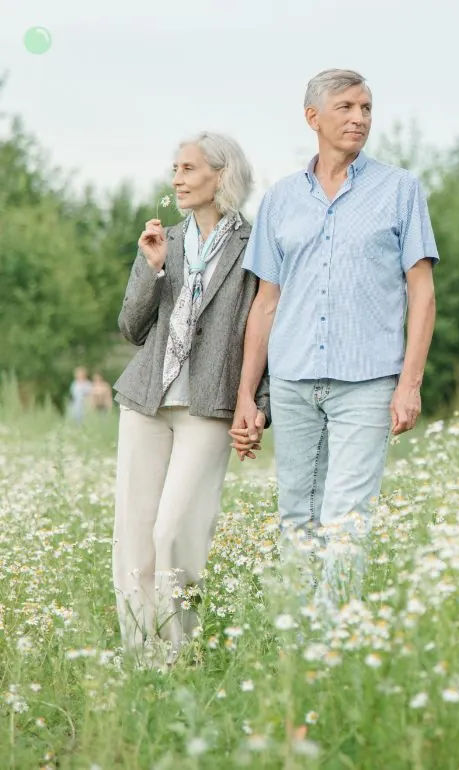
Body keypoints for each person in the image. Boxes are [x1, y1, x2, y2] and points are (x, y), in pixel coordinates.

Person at [233, 68, 439, 607]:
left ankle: (331, 644)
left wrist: (409, 384)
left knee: (346, 516)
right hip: (294, 380)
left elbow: (423, 294)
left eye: (367, 108)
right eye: (346, 107)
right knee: (296, 514)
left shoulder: (400, 190)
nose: (359, 118)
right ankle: (295, 640)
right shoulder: (279, 200)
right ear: (313, 118)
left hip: (368, 382)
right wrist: (245, 398)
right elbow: (265, 304)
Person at [112, 131, 270, 665]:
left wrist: (259, 402)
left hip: (211, 402)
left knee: (176, 528)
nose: (176, 178)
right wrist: (149, 267)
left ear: (219, 177)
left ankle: (179, 654)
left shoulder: (256, 245)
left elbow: (265, 328)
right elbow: (132, 328)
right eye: (174, 168)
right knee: (134, 532)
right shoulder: (167, 241)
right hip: (146, 401)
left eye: (188, 168)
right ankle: (141, 654)